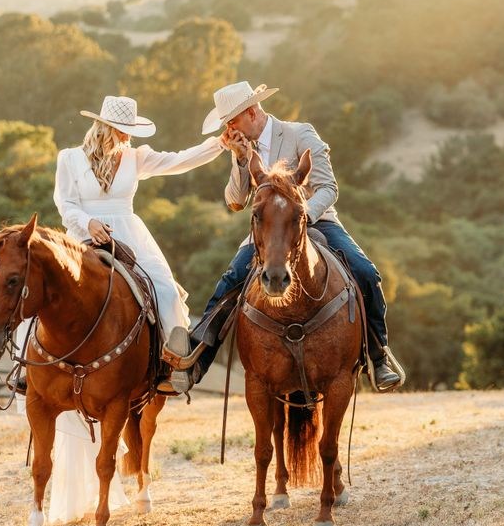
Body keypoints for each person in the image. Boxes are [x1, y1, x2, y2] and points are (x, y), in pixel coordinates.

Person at [41, 94, 224, 522]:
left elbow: (180, 160)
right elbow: (64, 203)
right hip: (85, 236)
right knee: (49, 292)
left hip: (131, 234)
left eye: (129, 131)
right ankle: (28, 367)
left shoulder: (136, 157)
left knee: (165, 288)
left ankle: (169, 363)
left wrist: (220, 144)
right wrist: (86, 223)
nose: (125, 136)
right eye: (121, 130)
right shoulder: (69, 158)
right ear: (102, 126)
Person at [159, 81, 404, 394]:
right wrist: (239, 159)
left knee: (366, 273)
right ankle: (196, 363)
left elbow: (329, 188)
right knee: (231, 278)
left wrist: (301, 215)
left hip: (317, 221)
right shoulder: (242, 148)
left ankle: (378, 356)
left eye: (232, 122)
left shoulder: (299, 133)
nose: (230, 129)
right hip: (268, 231)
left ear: (251, 112)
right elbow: (235, 202)